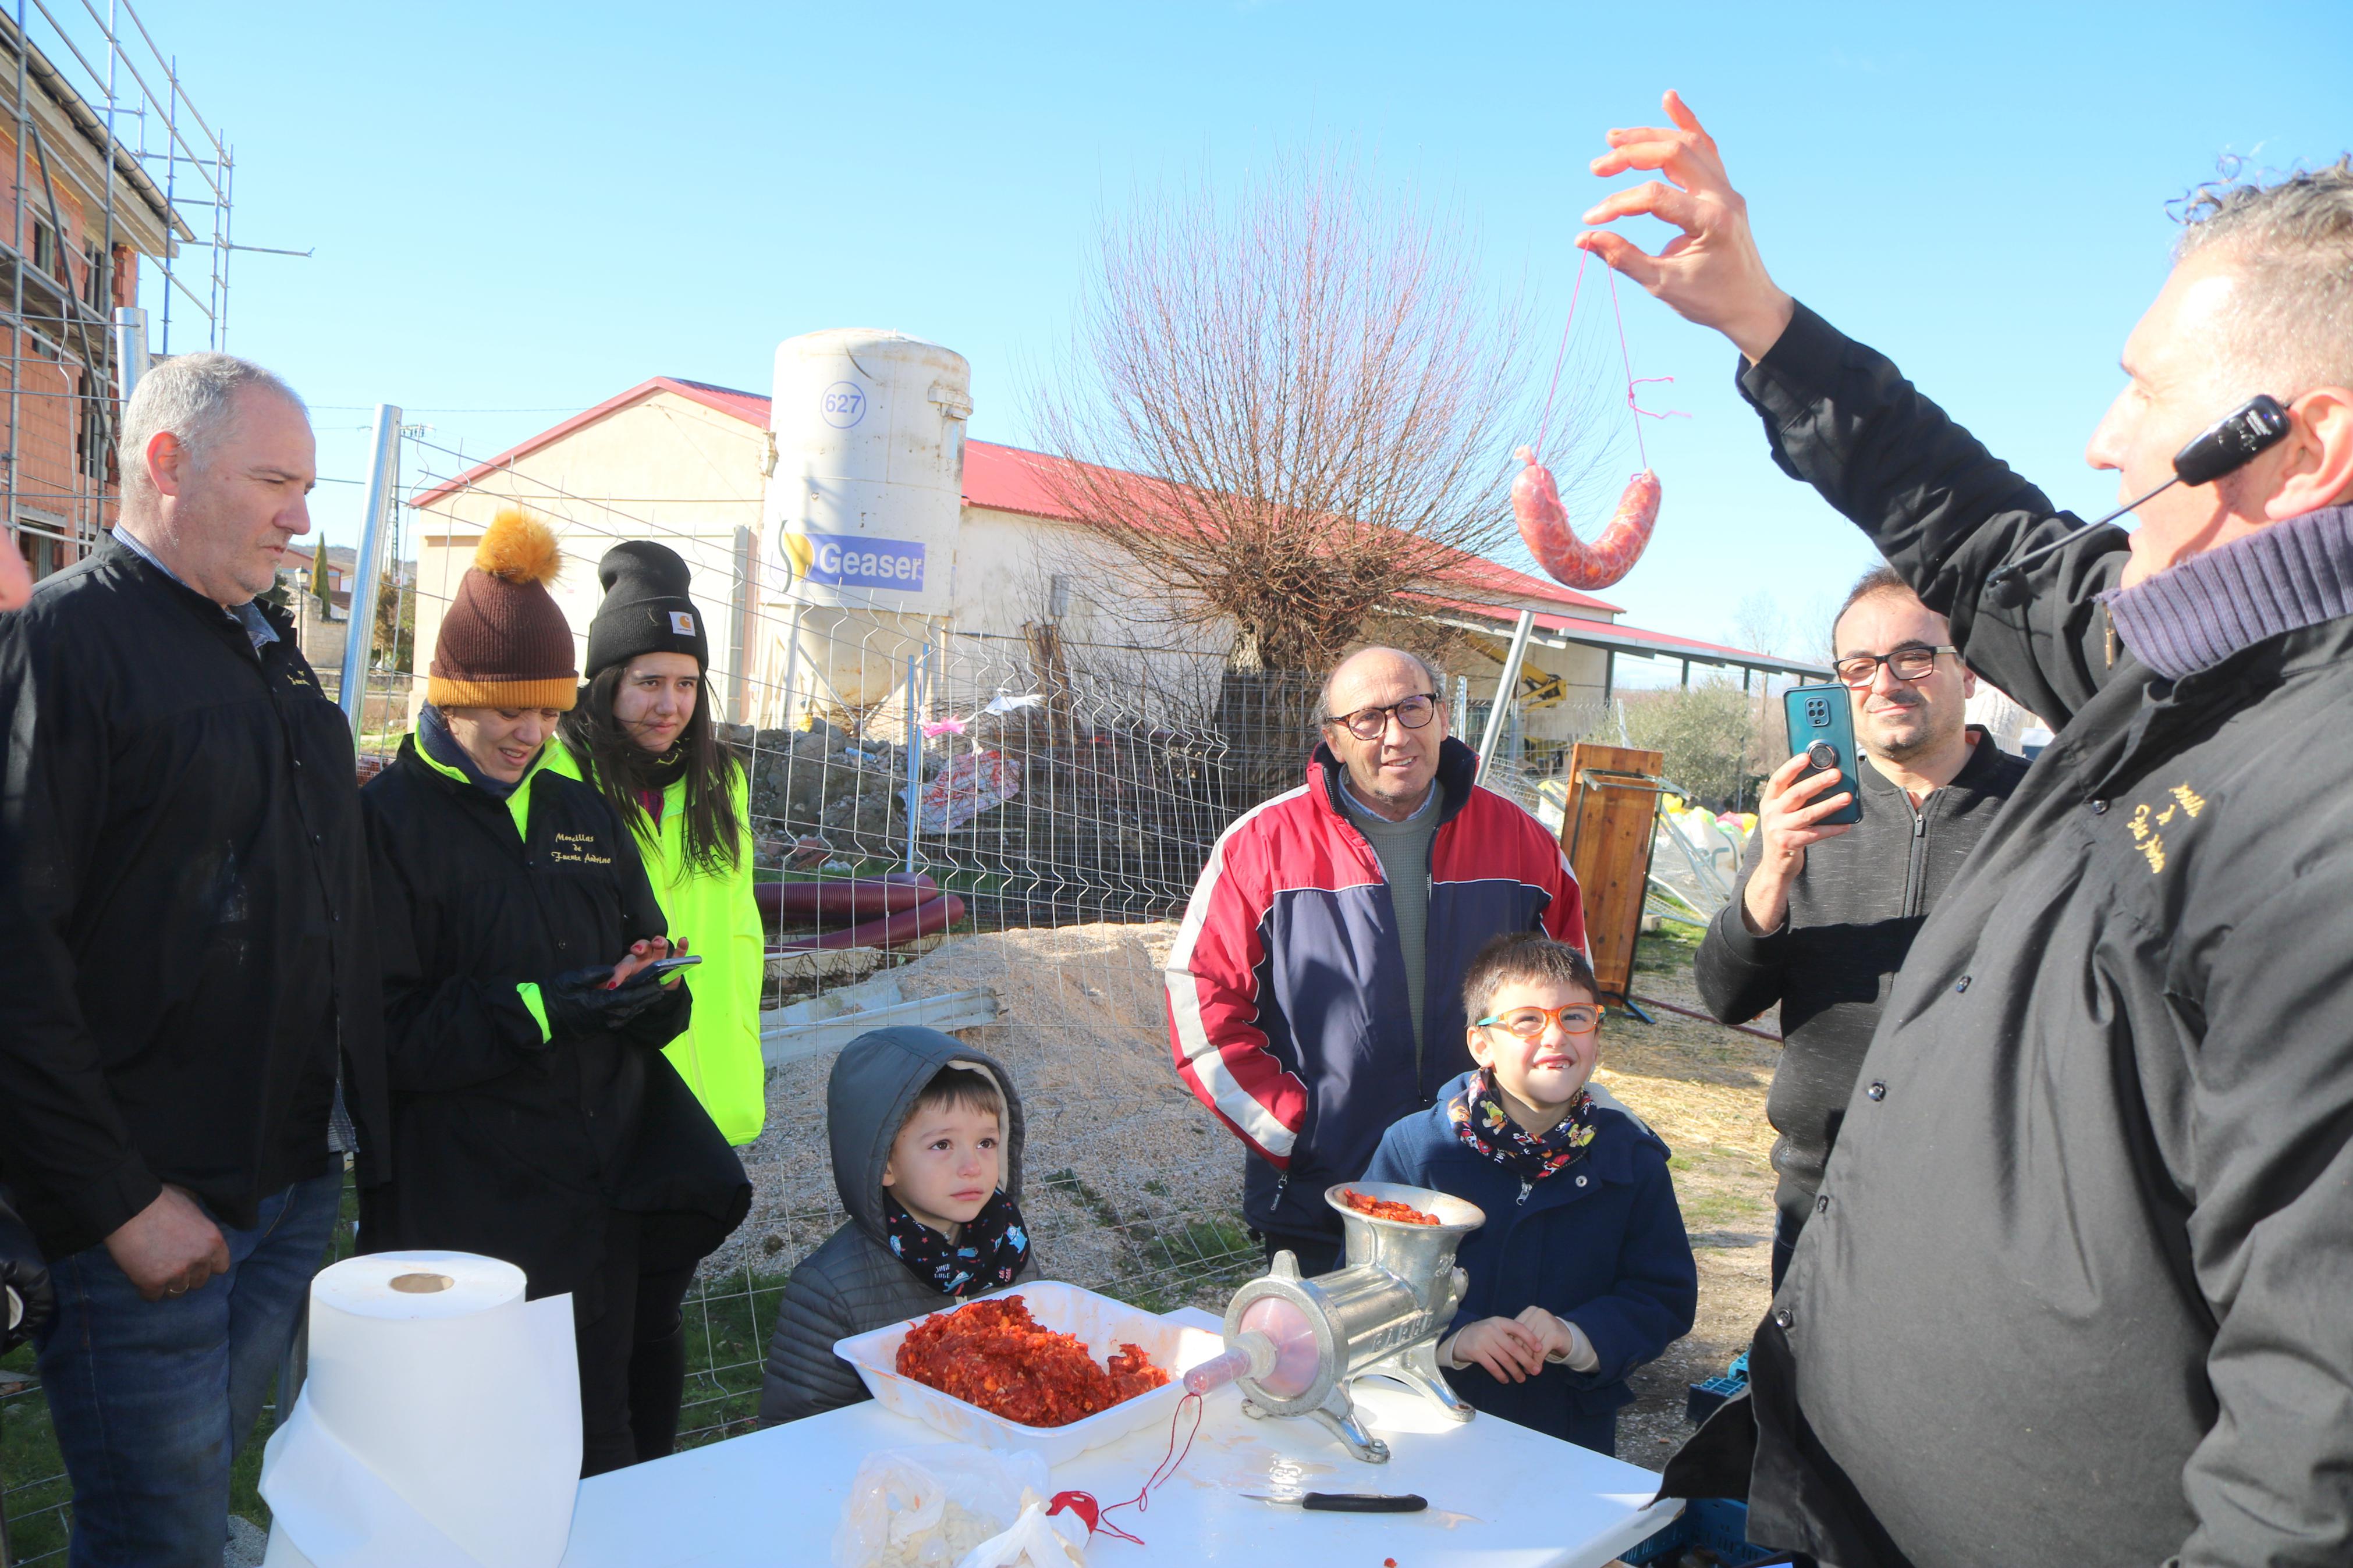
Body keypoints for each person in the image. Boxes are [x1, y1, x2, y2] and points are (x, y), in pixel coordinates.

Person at [1584, 95, 2353, 1564]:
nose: (2103, 432)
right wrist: (1756, 315)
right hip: (1839, 1496)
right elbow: (1986, 533)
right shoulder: (2183, 665)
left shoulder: (2318, 806)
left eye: (2142, 388)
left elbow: (2313, 1448)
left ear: (2292, 444)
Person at [0, 353, 388, 1567]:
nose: (302, 517)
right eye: (275, 479)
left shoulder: (258, 640)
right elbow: (13, 957)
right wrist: (115, 1201)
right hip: (151, 1214)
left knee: (202, 1492)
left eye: (310, 485)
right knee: (154, 1533)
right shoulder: (68, 644)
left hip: (284, 1189)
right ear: (165, 462)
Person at [360, 507, 748, 1477]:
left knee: (600, 1435)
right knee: (476, 1460)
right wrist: (543, 1006)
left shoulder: (577, 810)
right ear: (450, 700)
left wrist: (654, 996)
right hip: (464, 1208)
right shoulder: (388, 824)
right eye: (506, 713)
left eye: (545, 710)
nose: (529, 735)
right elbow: (387, 1034)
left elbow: (637, 947)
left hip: (593, 1197)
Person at [1167, 645, 1587, 1278]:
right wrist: (1298, 1130)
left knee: (1472, 1364)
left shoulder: (1524, 843)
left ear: (1443, 719)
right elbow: (1203, 1006)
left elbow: (1571, 1004)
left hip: (1483, 1180)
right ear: (1333, 740)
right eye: (1367, 719)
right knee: (1327, 1370)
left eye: (1412, 708)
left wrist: (1527, 1118)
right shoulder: (1259, 847)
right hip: (1319, 1193)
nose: (1395, 735)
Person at [1694, 568, 2027, 1286]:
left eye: (1913, 656)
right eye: (1858, 667)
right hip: (1820, 1196)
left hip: (1993, 1206)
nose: (1884, 682)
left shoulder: (2041, 813)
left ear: (1966, 670)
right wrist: (1773, 868)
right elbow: (1725, 998)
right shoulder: (1800, 812)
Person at [1362, 934, 1695, 1457]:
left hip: (1566, 1435)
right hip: (1428, 1424)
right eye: (1527, 1020)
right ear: (1481, 1044)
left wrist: (1577, 1334)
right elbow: (1366, 1286)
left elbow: (1662, 1295)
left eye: (1576, 1017)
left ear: (1597, 1033)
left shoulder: (1632, 1160)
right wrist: (1455, 1337)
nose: (1555, 1037)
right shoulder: (1415, 1149)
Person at [552, 541, 765, 1147]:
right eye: (649, 682)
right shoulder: (556, 776)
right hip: (599, 1094)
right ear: (610, 679)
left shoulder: (722, 779)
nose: (670, 706)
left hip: (714, 1087)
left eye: (687, 683)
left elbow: (737, 923)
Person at [757, 1027, 1039, 1425]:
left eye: (986, 1143)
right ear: (883, 1162)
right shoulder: (830, 1289)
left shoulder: (1008, 1247)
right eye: (942, 1145)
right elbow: (797, 1427)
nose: (972, 1166)